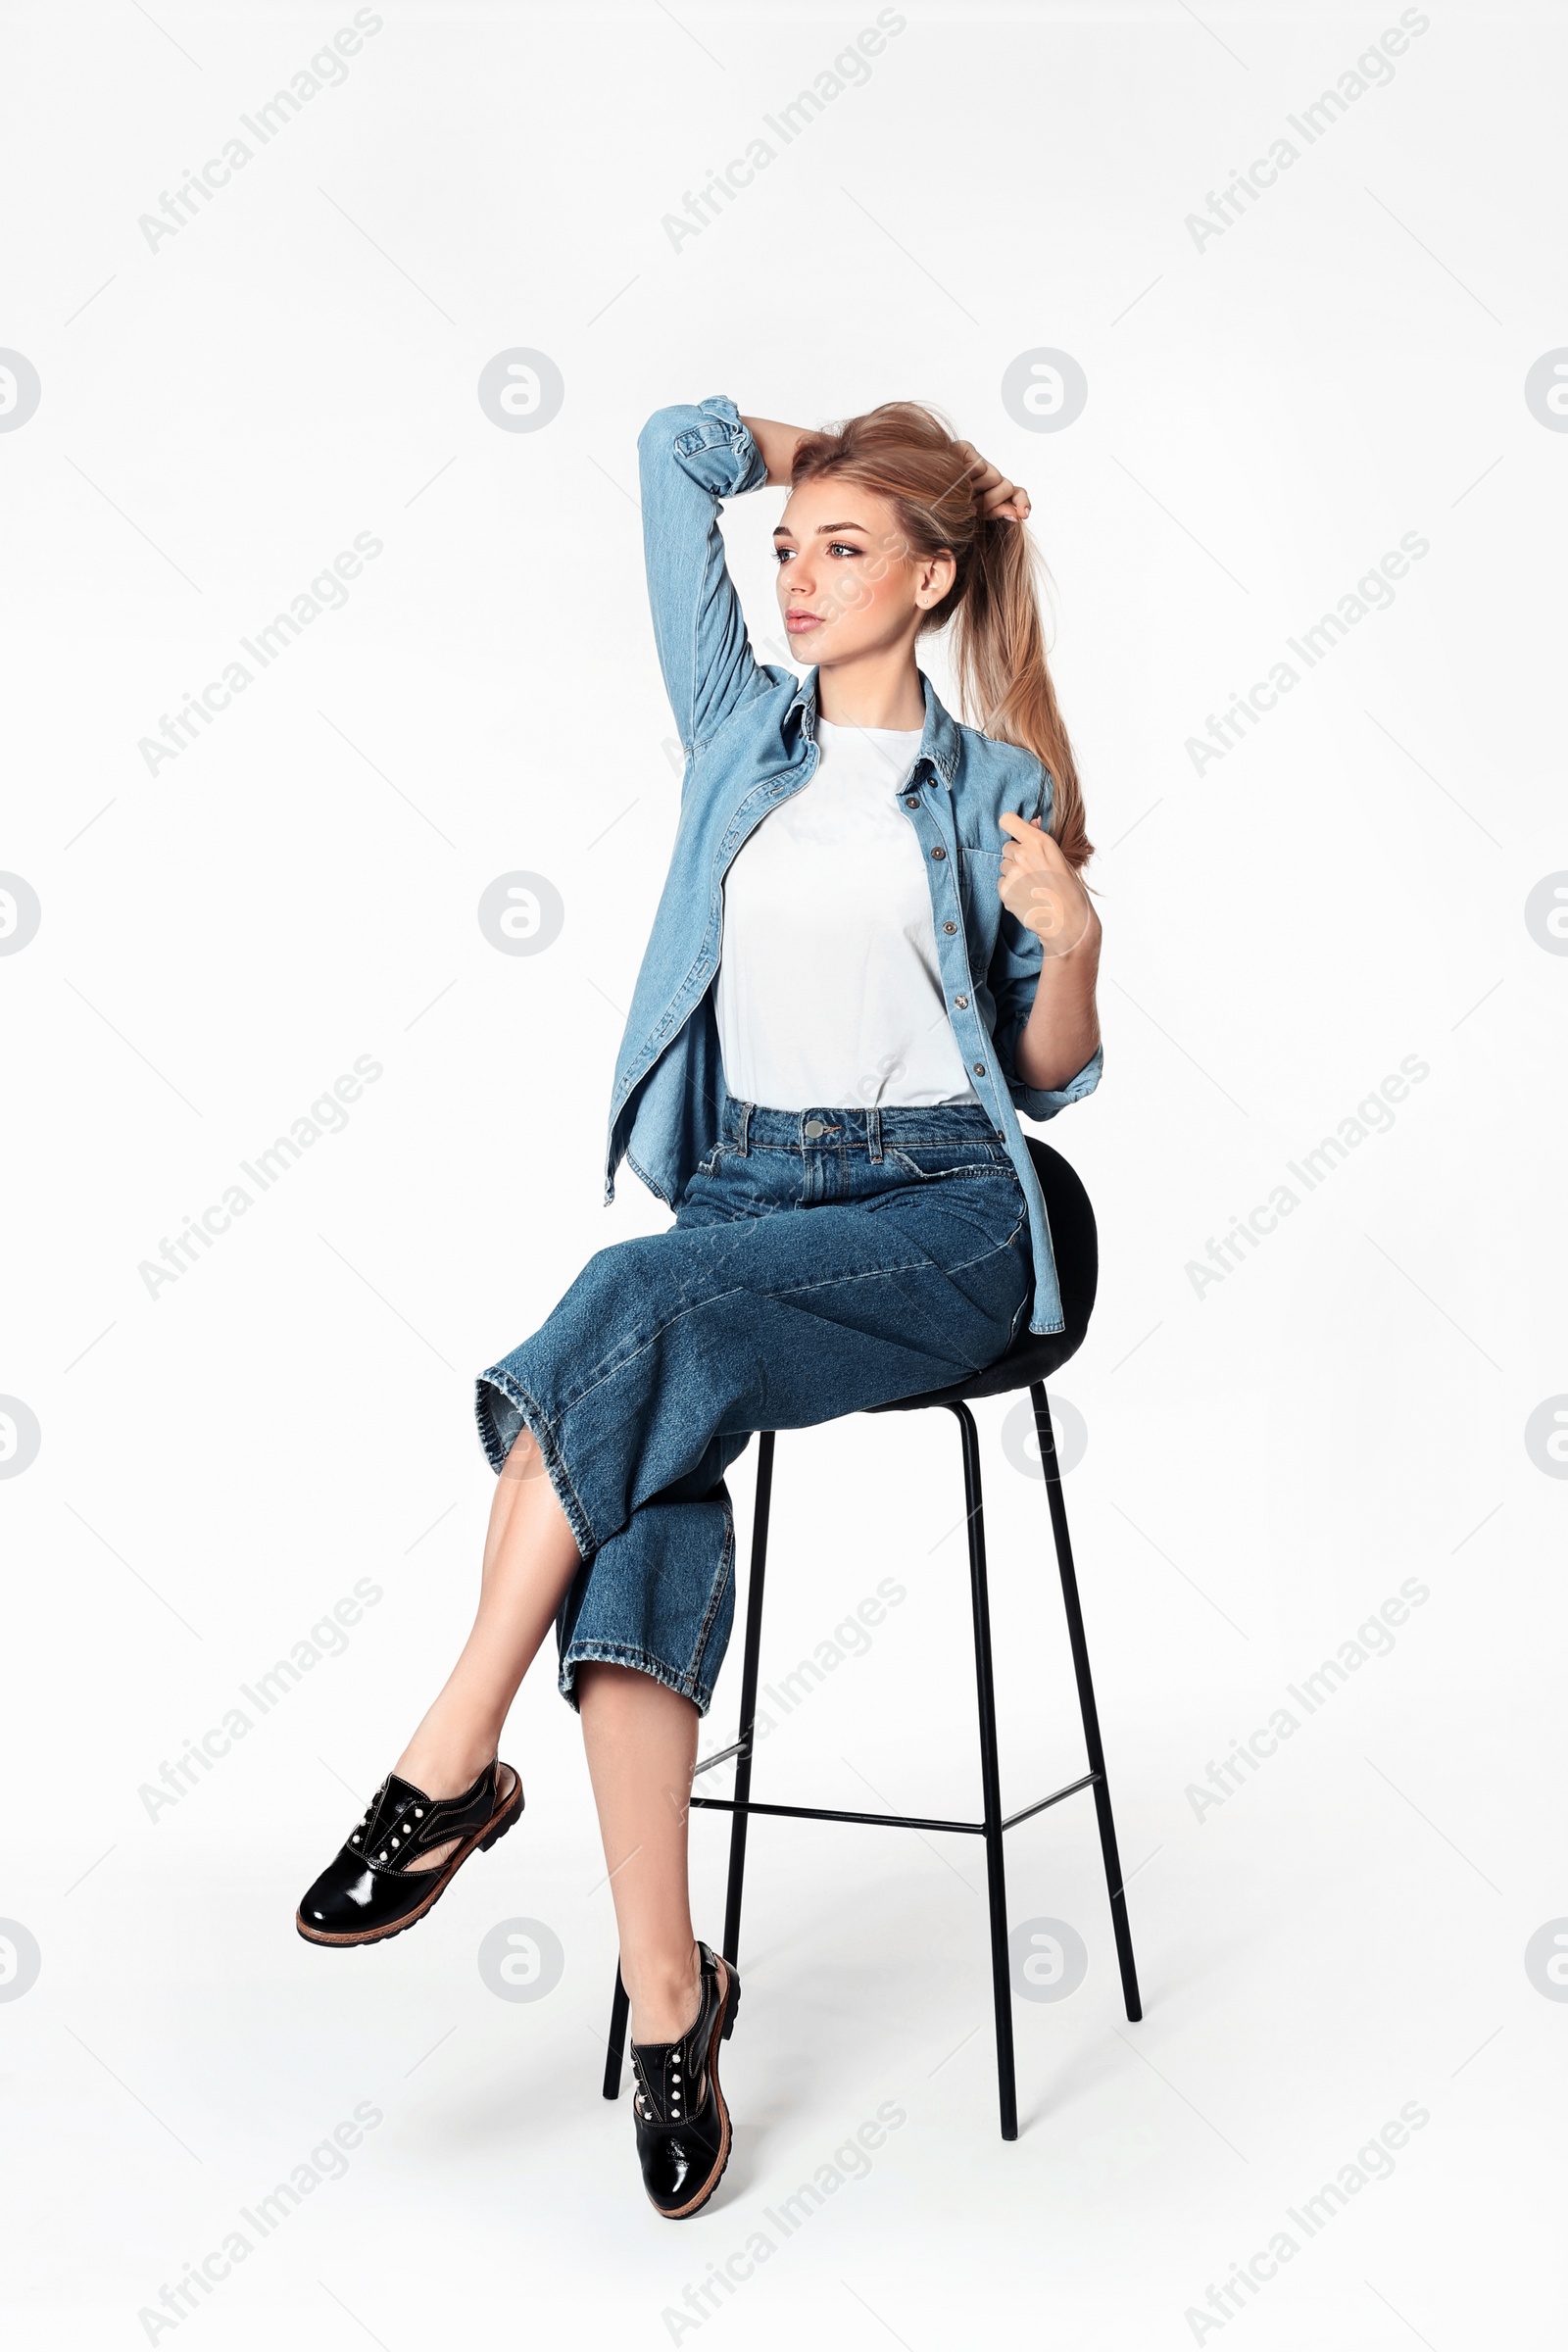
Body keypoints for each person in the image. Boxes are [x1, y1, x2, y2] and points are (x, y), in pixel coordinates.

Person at [297, 393, 1103, 2218]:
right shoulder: (743, 733)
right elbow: (674, 447)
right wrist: (826, 446)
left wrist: (1079, 947)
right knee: (642, 1486)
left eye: (844, 546)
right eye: (792, 547)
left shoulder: (999, 790)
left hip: (947, 1220)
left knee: (633, 1300)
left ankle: (450, 1754)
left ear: (930, 575)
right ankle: (676, 1999)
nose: (801, 577)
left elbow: (1050, 1077)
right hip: (749, 1196)